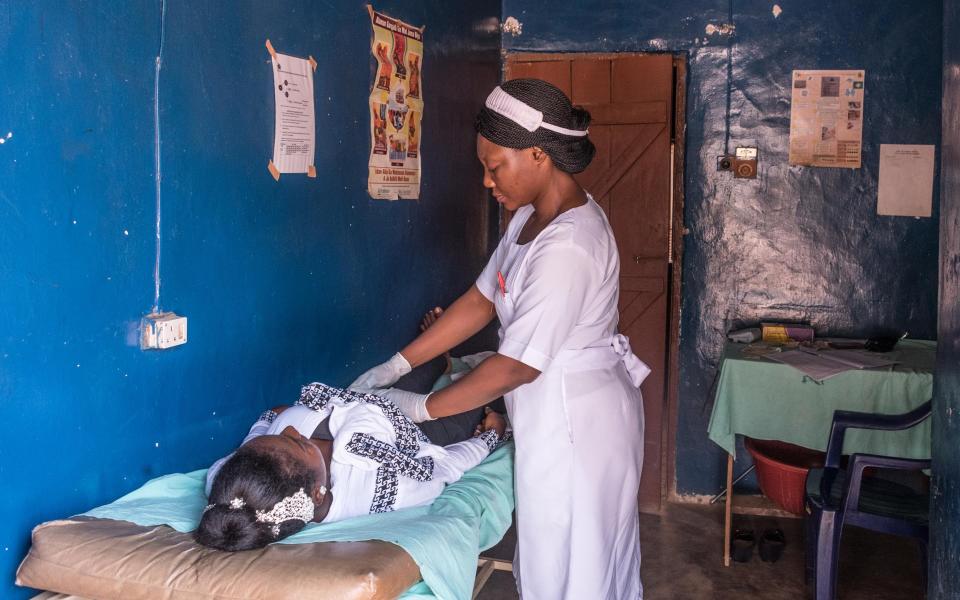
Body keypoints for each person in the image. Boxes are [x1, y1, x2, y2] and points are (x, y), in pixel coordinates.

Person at [350, 78, 651, 599]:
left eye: (495, 167)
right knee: (551, 555)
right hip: (551, 414)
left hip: (579, 422)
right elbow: (481, 300)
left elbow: (517, 366)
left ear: (538, 155)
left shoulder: (570, 245)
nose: (488, 182)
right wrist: (396, 364)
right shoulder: (529, 220)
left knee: (577, 564)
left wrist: (423, 407)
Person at [196, 311, 507, 552]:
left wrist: (268, 421)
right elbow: (444, 467)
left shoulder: (227, 485)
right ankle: (458, 366)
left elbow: (252, 442)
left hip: (361, 404)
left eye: (280, 434)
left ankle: (441, 358)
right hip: (411, 437)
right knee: (482, 387)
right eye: (299, 442)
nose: (290, 428)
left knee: (422, 370)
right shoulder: (380, 488)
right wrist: (489, 437)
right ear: (319, 493)